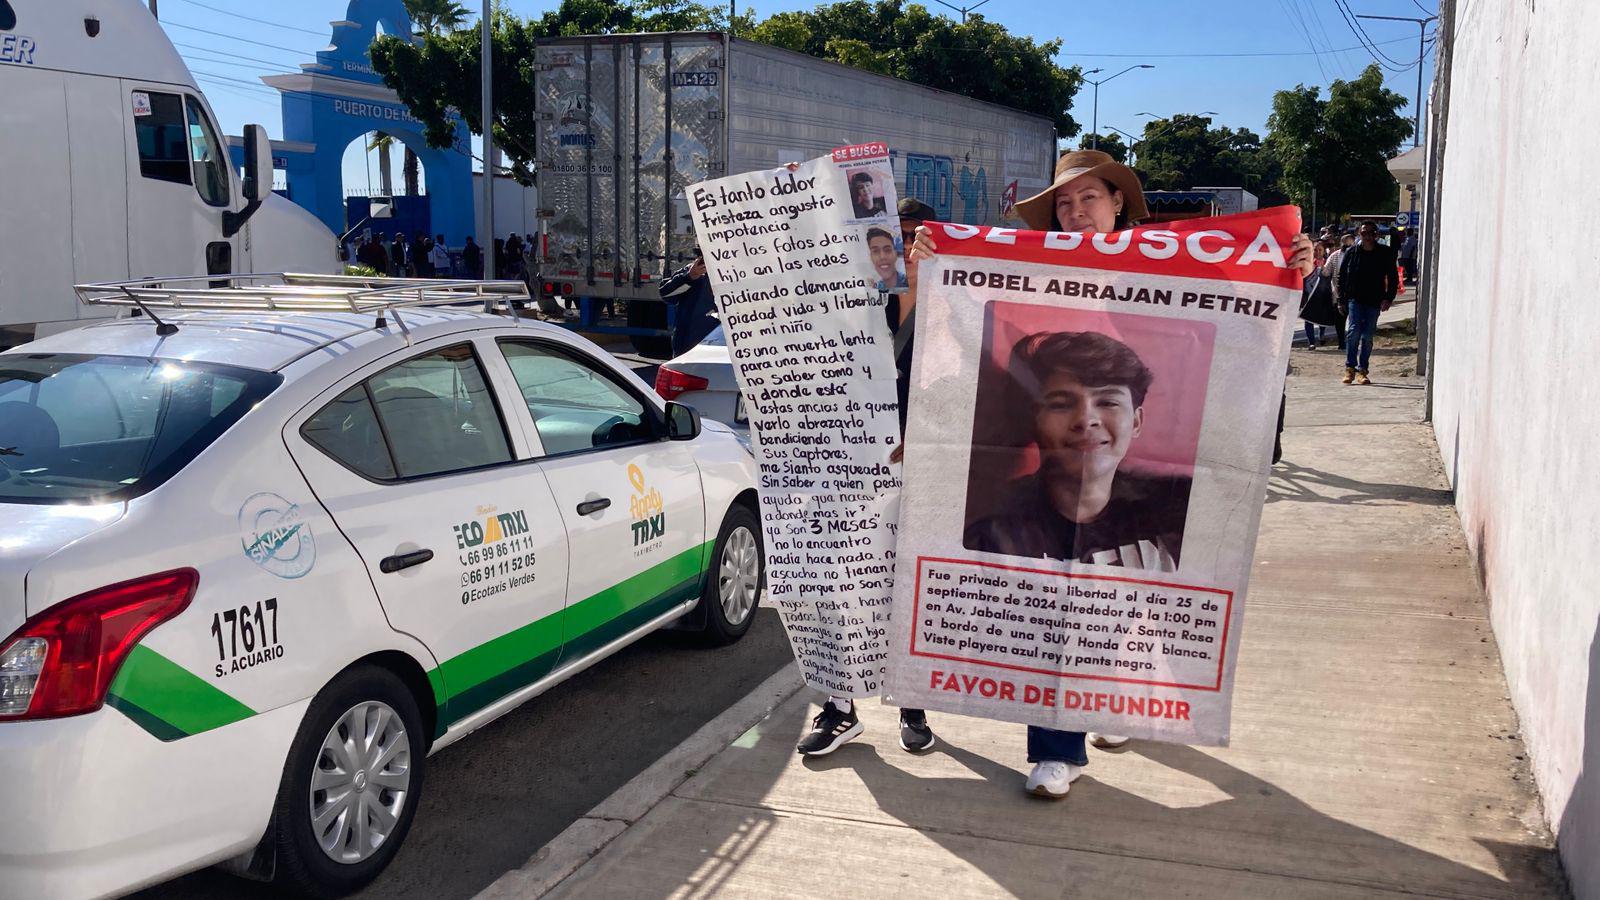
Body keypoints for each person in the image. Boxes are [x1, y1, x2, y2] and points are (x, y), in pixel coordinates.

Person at [909, 149, 1315, 799]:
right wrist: (935, 269)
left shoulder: (1180, 258)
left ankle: (1118, 697)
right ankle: (1055, 749)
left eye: (1087, 198)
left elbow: (1249, 322)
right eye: (1063, 204)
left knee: (1139, 601)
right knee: (1057, 607)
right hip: (1058, 480)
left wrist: (1290, 269)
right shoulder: (1029, 265)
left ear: (1119, 202)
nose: (1074, 212)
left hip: (1134, 480)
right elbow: (966, 319)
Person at [797, 197, 939, 759]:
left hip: (920, 469)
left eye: (916, 239)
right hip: (850, 465)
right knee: (841, 581)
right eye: (894, 239)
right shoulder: (853, 308)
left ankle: (912, 703)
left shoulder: (956, 311)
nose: (904, 250)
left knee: (907, 584)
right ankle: (839, 707)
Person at [965, 330, 1188, 570]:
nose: (1085, 419)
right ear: (1033, 420)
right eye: (1061, 405)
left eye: (1107, 402)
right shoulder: (986, 524)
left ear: (1136, 422)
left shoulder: (1178, 511)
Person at [1336, 222, 1398, 385]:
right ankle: (1350, 368)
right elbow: (1341, 277)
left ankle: (1362, 370)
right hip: (1354, 299)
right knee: (1353, 331)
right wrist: (1340, 300)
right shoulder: (1352, 252)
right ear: (1359, 234)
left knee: (1368, 335)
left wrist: (1388, 298)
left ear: (1376, 235)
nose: (1368, 236)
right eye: (1364, 233)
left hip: (1374, 300)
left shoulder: (1384, 253)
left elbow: (1393, 277)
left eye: (1371, 233)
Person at [659, 247, 719, 356]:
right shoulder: (693, 272)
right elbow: (667, 295)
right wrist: (690, 277)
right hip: (690, 347)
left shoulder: (738, 276)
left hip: (723, 349)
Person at [867, 226, 906, 292]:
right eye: (875, 251)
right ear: (871, 256)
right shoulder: (876, 287)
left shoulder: (909, 282)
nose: (882, 256)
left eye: (887, 250)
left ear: (896, 253)